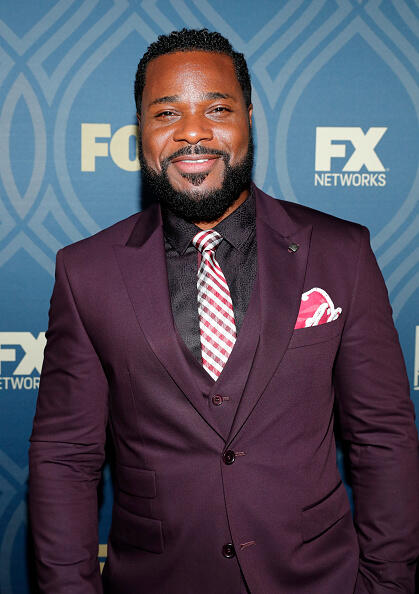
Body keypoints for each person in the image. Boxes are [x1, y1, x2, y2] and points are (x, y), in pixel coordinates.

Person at [29, 28, 419, 594]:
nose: (193, 132)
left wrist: (386, 584)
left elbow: (382, 436)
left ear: (249, 118)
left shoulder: (341, 253)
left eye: (217, 108)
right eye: (167, 113)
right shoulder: (85, 271)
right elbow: (66, 458)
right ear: (142, 131)